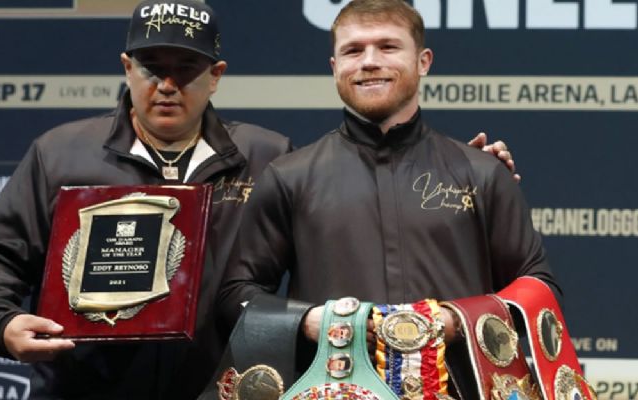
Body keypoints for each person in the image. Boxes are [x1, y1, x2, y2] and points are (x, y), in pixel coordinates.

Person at [0, 1, 518, 399]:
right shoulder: (60, 153)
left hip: (221, 388)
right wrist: (3, 323)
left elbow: (352, 200)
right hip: (83, 387)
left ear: (216, 75)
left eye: (186, 69)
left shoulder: (266, 155)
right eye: (152, 67)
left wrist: (457, 168)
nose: (167, 84)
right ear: (127, 69)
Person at [216, 0, 558, 397]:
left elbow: (539, 288)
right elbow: (236, 294)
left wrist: (458, 321)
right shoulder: (289, 175)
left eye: (388, 47)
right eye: (353, 50)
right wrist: (307, 321)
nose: (369, 61)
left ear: (423, 62)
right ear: (335, 67)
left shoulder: (482, 172)